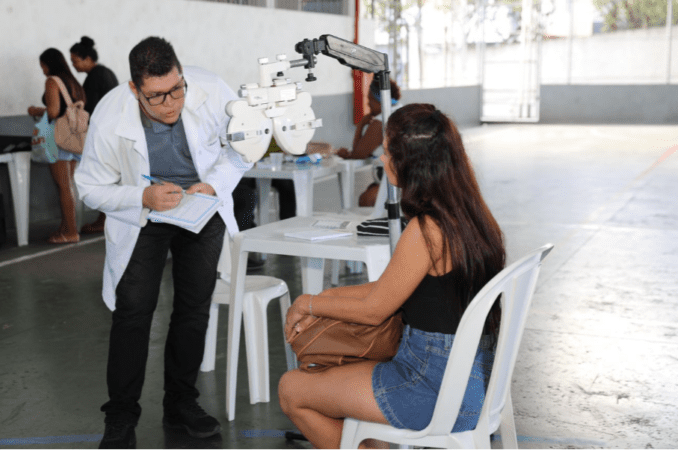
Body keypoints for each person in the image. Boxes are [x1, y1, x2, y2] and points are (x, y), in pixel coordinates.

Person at [278, 103, 506, 450]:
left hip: (433, 388)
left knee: (292, 390)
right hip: (474, 382)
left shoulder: (427, 229)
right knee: (353, 389)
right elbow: (387, 290)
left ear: (414, 164)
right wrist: (315, 303)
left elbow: (374, 310)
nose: (382, 161)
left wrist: (309, 303)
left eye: (388, 153)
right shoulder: (474, 217)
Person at [73, 37, 250, 449]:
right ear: (135, 90)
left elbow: (244, 147)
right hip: (145, 215)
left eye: (177, 89)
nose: (171, 103)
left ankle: (181, 403)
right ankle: (120, 416)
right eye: (157, 97)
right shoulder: (110, 113)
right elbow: (90, 188)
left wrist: (215, 185)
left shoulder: (211, 91)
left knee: (193, 309)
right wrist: (141, 197)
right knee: (133, 313)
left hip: (201, 209)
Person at [27, 48, 86, 244]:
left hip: (58, 139)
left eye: (42, 66)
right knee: (68, 185)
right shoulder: (73, 82)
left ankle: (70, 232)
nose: (42, 70)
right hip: (72, 137)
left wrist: (37, 110)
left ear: (47, 64)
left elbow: (53, 112)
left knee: (63, 187)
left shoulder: (52, 81)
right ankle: (66, 227)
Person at [69, 36, 120, 235]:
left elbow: (91, 109)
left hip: (105, 134)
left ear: (87, 58)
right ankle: (106, 217)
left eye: (76, 61)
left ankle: (104, 218)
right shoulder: (106, 72)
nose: (74, 66)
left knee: (105, 178)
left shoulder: (95, 77)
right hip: (114, 132)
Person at [337, 77, 402, 207]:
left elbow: (358, 154)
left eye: (370, 100)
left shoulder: (381, 120)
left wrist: (360, 125)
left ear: (380, 100)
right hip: (405, 177)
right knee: (370, 190)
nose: (368, 105)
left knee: (366, 199)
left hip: (397, 181)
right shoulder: (401, 110)